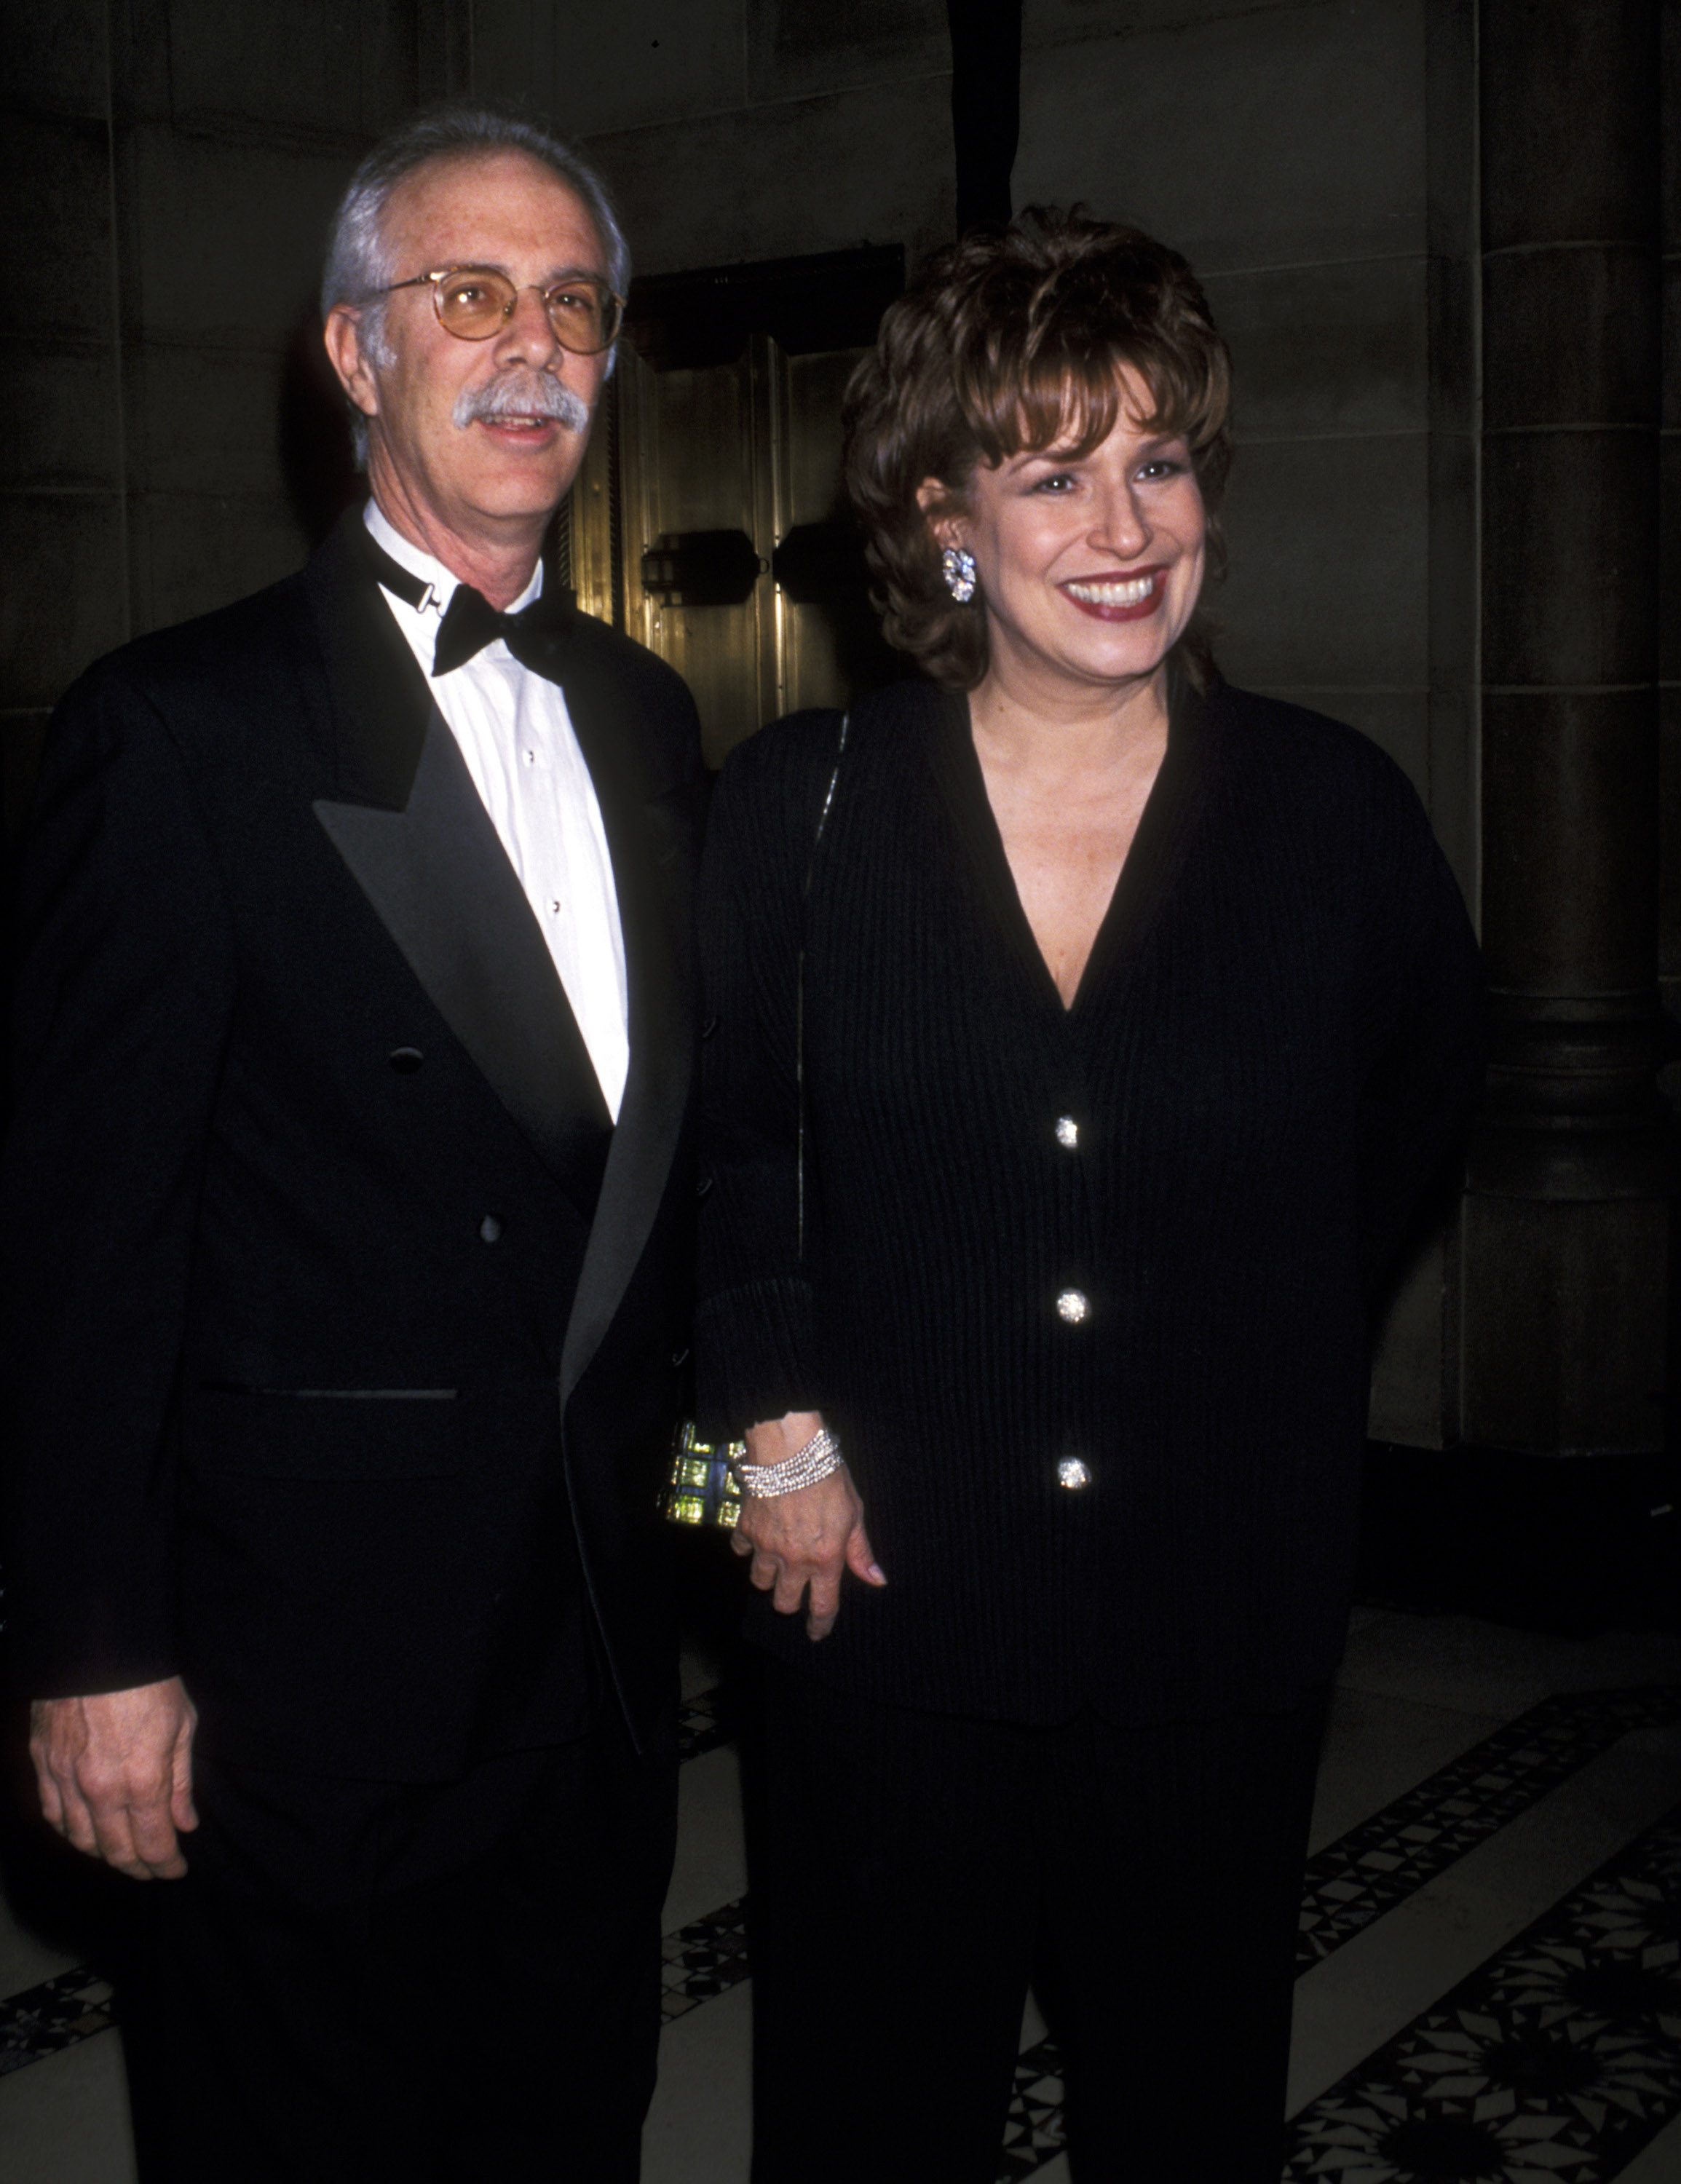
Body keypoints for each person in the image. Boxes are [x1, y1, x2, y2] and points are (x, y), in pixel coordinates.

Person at [695, 207, 1483, 2183]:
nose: (1122, 523)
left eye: (1158, 459)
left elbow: (1404, 1129)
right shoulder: (800, 805)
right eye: (1054, 473)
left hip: (1221, 1609)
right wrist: (768, 1443)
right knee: (874, 2107)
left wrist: (1246, 1355)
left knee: (1188, 2098)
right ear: (947, 512)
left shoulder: (1333, 819)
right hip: (875, 1597)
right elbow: (727, 1147)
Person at [2, 103, 702, 2180]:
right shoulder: (181, 729)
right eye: (465, 293)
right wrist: (90, 1650)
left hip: (588, 1648)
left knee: (564, 2124)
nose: (531, 347)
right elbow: (77, 1242)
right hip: (306, 1668)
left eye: (573, 304)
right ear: (351, 354)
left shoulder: (651, 719)